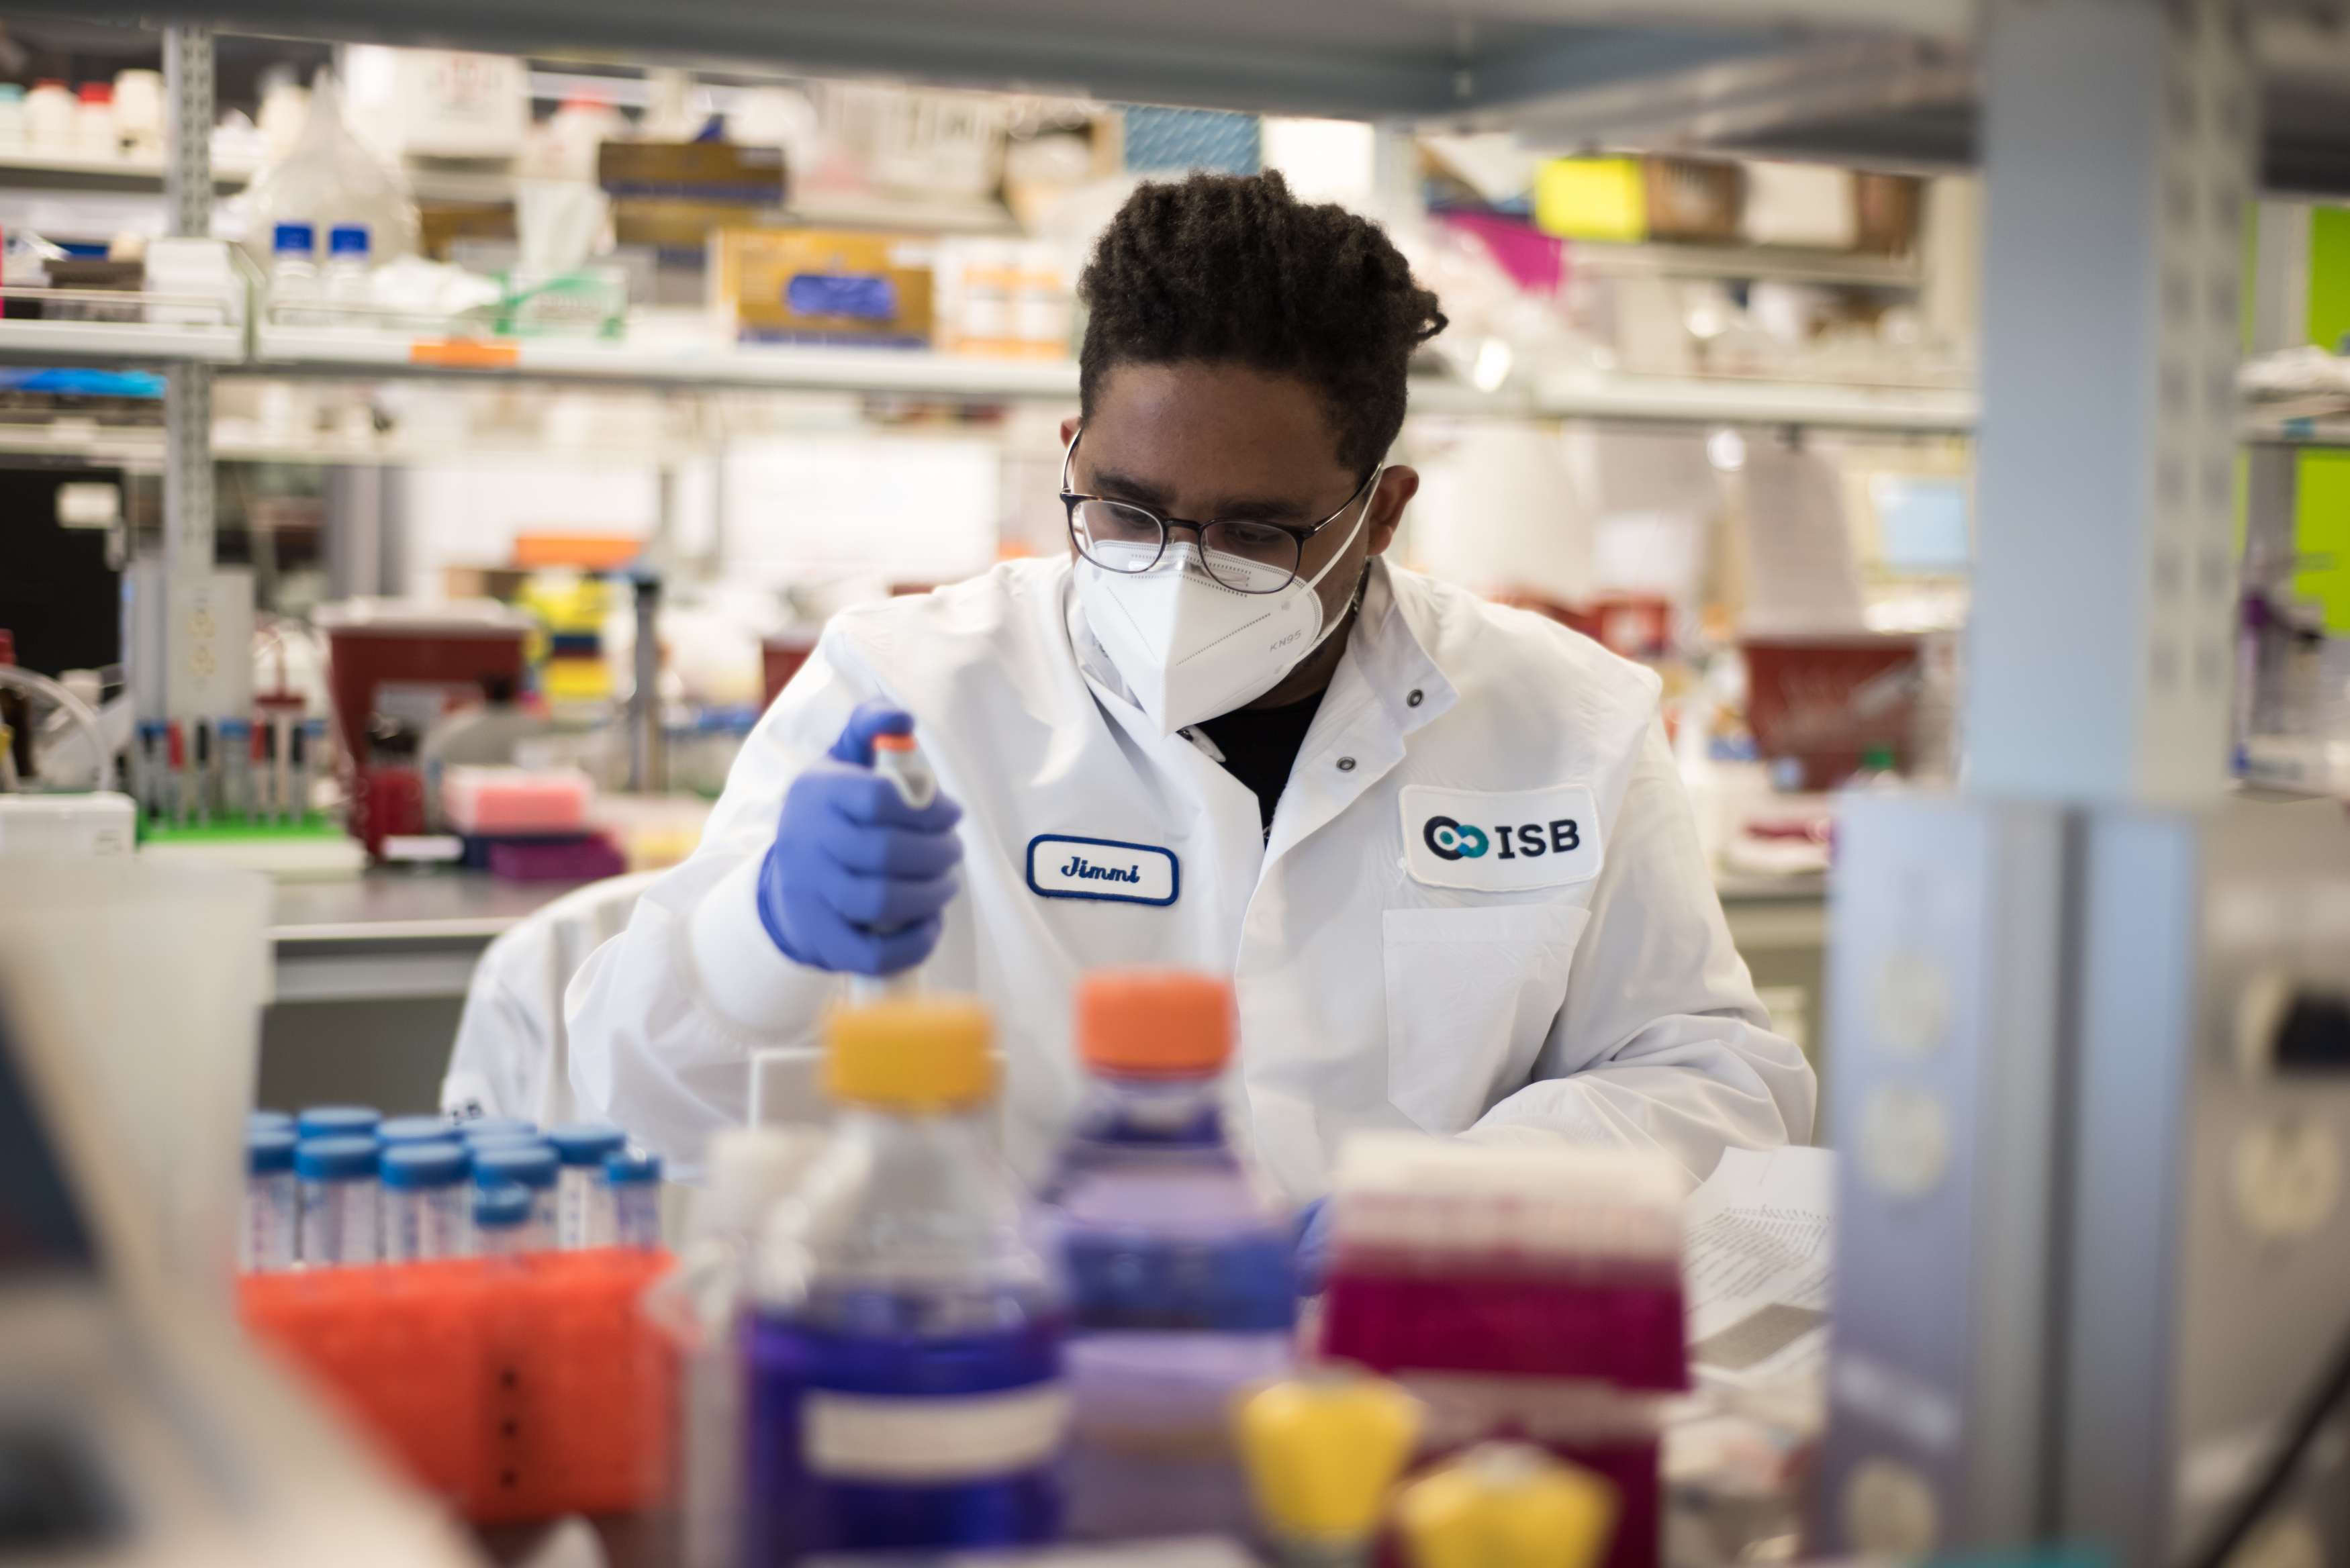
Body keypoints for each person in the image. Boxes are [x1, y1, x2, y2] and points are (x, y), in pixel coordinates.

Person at [566, 170, 1814, 1208]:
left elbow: (1716, 1075)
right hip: (1018, 1364)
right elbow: (621, 1095)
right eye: (1127, 511)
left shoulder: (1568, 719)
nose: (1173, 575)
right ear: (1070, 453)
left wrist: (1443, 1209)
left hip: (1404, 1367)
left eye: (1255, 533)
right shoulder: (906, 691)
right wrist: (760, 936)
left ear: (1379, 514)